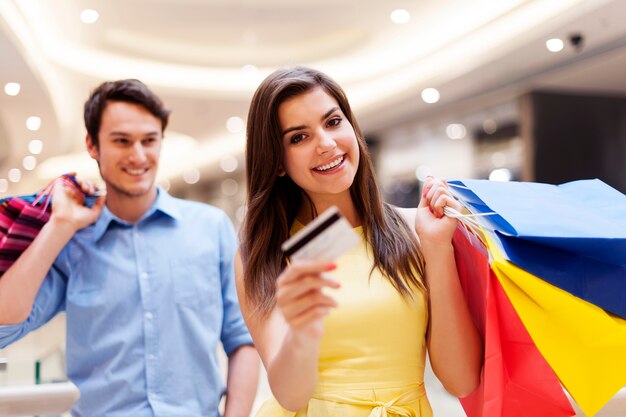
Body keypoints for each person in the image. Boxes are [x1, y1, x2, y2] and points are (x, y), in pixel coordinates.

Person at [0, 79, 258, 417]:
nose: (138, 156)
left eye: (149, 140)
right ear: (92, 145)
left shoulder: (211, 228)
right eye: (121, 141)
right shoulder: (74, 241)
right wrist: (60, 225)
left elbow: (243, 339)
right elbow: (5, 324)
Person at [236, 66, 482, 416]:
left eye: (333, 122)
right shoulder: (264, 254)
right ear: (276, 162)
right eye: (298, 137)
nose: (325, 144)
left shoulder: (417, 228)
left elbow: (461, 380)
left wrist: (438, 249)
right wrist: (303, 326)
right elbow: (290, 397)